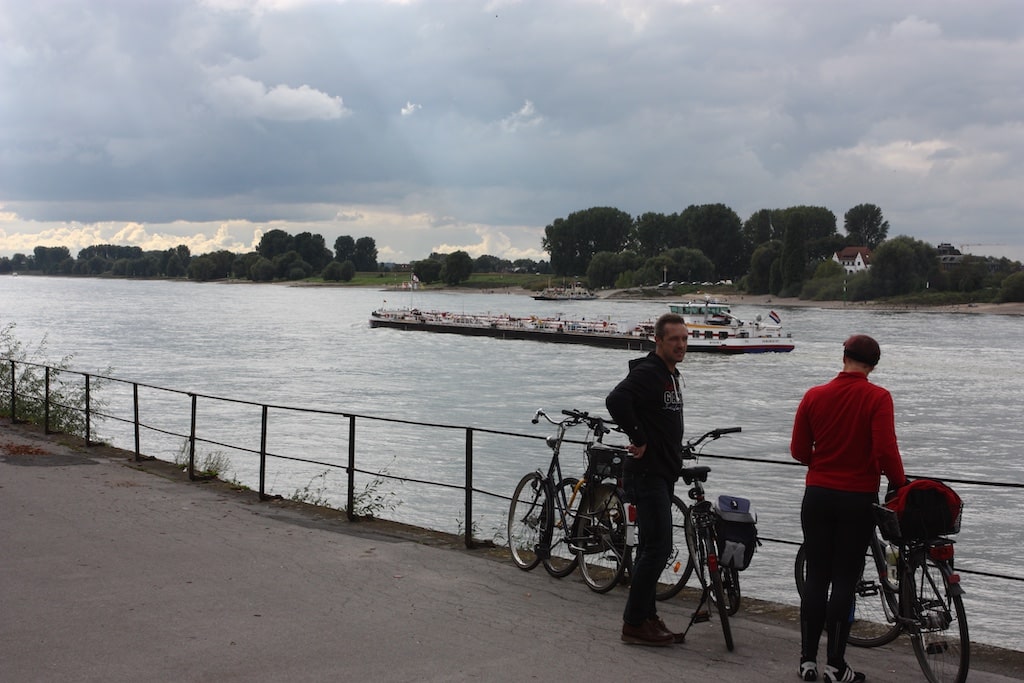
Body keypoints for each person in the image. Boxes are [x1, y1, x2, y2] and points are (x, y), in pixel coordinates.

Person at [791, 335, 907, 682]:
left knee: (816, 577)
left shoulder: (814, 395)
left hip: (817, 495)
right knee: (844, 579)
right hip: (857, 498)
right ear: (873, 365)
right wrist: (900, 484)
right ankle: (835, 666)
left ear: (843, 357)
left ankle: (807, 662)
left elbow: (799, 451)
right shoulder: (878, 398)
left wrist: (823, 461)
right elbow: (885, 450)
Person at [606, 312, 688, 646]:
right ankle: (634, 622)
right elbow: (616, 400)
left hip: (663, 471)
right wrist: (638, 437)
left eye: (685, 339)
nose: (681, 345)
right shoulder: (649, 372)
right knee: (658, 548)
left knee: (649, 549)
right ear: (658, 340)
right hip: (647, 473)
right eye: (674, 339)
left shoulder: (670, 374)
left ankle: (648, 616)